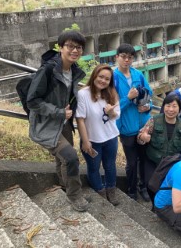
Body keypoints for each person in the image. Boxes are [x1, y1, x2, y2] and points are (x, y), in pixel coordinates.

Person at [27, 30, 88, 211]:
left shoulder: (74, 71)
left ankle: (65, 185)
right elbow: (32, 101)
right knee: (70, 157)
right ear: (60, 47)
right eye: (70, 46)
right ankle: (75, 195)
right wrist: (59, 112)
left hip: (64, 122)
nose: (75, 50)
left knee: (62, 158)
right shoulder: (48, 70)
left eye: (79, 47)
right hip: (47, 123)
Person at [76, 64, 121, 205]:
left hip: (111, 137)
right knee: (94, 167)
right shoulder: (83, 94)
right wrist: (85, 141)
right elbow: (80, 119)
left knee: (110, 166)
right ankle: (99, 191)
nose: (103, 81)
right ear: (94, 75)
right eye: (101, 76)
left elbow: (116, 115)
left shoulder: (112, 93)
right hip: (92, 140)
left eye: (107, 79)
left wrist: (111, 112)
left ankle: (111, 190)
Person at [114, 43, 153, 201]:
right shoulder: (113, 78)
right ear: (117, 57)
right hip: (127, 128)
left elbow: (149, 93)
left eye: (130, 57)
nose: (127, 60)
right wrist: (128, 99)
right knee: (131, 162)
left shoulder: (138, 75)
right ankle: (131, 189)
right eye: (123, 57)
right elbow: (112, 107)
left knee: (144, 159)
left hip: (142, 126)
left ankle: (143, 186)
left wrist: (148, 106)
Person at [137, 95, 181, 199]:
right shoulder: (154, 120)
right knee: (150, 184)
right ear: (163, 107)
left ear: (179, 108)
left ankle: (159, 206)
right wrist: (143, 138)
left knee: (164, 187)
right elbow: (140, 137)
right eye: (168, 105)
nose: (171, 109)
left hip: (170, 162)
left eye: (174, 106)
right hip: (152, 159)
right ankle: (154, 203)